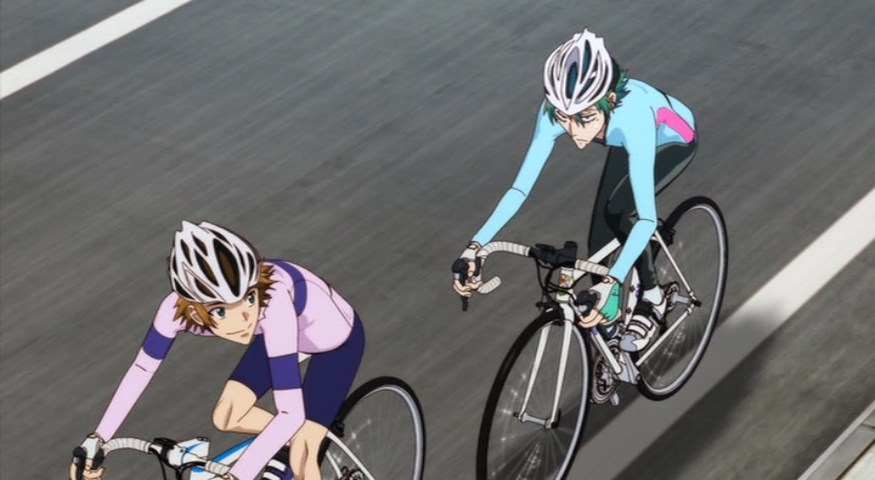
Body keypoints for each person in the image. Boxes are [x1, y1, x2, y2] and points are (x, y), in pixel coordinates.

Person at [453, 29, 697, 352]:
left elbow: (646, 219)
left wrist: (614, 281)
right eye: (565, 118)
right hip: (621, 141)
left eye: (585, 117)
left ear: (610, 102)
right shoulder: (554, 112)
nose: (574, 130)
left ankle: (653, 300)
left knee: (621, 210)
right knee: (599, 242)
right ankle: (611, 329)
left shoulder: (633, 118)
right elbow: (519, 189)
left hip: (673, 140)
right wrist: (475, 246)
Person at [70, 221, 364, 480]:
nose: (244, 318)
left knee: (302, 454)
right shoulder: (172, 313)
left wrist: (240, 473)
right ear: (195, 312)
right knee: (226, 416)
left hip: (335, 344)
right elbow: (142, 368)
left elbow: (290, 412)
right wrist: (98, 439)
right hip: (278, 336)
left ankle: (305, 440)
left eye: (249, 298)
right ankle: (290, 437)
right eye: (222, 311)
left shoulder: (273, 305)